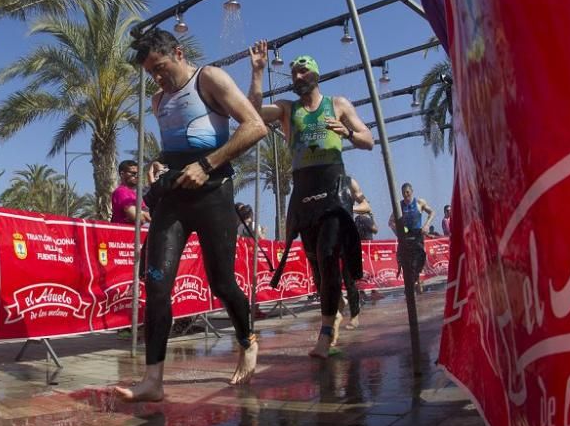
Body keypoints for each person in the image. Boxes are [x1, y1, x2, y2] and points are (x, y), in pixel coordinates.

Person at [114, 28, 267, 402]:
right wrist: (157, 163)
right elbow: (174, 148)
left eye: (162, 68)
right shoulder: (157, 101)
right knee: (157, 284)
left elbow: (256, 126)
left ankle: (247, 340)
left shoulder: (209, 78)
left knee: (222, 282)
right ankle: (153, 380)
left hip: (214, 196)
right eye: (152, 73)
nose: (159, 78)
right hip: (173, 201)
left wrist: (209, 163)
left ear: (179, 53)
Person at [248, 40, 374, 359]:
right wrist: (259, 72)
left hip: (332, 188)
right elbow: (249, 112)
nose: (298, 74)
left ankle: (326, 333)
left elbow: (368, 140)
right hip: (303, 192)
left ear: (315, 73)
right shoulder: (287, 110)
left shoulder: (338, 104)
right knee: (317, 264)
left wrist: (346, 133)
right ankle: (335, 309)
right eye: (294, 71)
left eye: (303, 69)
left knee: (330, 253)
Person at [388, 182, 434, 292]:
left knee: (419, 260)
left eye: (407, 192)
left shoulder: (419, 202)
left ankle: (415, 282)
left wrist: (427, 225)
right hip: (406, 236)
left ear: (412, 191)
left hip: (418, 234)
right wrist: (398, 233)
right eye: (403, 193)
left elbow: (432, 212)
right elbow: (390, 222)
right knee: (408, 263)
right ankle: (413, 284)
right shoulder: (399, 206)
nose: (406, 195)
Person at [343, 177, 374, 330]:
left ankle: (354, 316)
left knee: (349, 279)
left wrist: (349, 208)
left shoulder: (350, 182)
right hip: (329, 235)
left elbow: (366, 206)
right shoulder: (322, 180)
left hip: (347, 235)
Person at [110, 160, 150, 224]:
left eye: (138, 173)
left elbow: (148, 216)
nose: (136, 176)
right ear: (122, 174)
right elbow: (137, 218)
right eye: (133, 173)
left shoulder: (136, 195)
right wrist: (143, 214)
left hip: (134, 232)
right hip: (122, 232)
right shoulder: (121, 192)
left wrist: (142, 214)